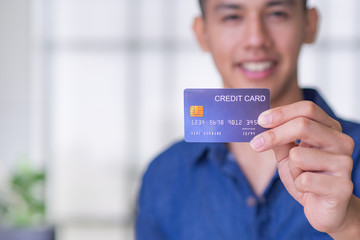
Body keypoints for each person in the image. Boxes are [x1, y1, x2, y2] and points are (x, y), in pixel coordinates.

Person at [136, 0, 360, 239]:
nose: (256, 39)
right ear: (202, 33)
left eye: (277, 14)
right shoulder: (163, 175)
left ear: (310, 24)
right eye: (232, 17)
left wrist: (350, 225)